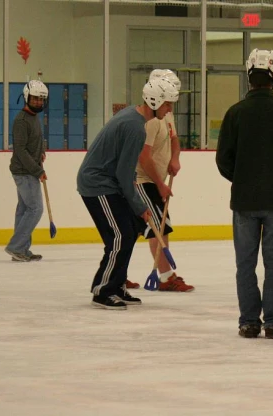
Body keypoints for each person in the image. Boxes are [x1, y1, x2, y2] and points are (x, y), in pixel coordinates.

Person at [216, 49, 273, 339]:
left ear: (249, 77)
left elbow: (223, 160)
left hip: (244, 200)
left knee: (245, 264)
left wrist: (240, 178)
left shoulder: (235, 113)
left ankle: (249, 321)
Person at [77, 78, 176, 309]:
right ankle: (103, 290)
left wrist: (137, 205)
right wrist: (140, 206)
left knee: (129, 232)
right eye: (167, 104)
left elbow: (125, 172)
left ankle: (117, 284)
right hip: (98, 184)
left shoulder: (134, 118)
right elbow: (124, 174)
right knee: (120, 236)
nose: (170, 109)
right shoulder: (135, 127)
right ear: (155, 101)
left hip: (109, 183)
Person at [132, 69, 193, 292]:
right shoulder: (150, 121)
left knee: (152, 227)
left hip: (156, 180)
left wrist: (174, 159)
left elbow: (174, 140)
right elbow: (143, 156)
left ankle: (119, 274)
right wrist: (160, 184)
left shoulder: (166, 113)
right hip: (142, 181)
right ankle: (166, 277)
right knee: (158, 227)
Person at [5, 80, 48, 262]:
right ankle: (16, 246)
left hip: (28, 170)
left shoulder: (33, 118)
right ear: (26, 97)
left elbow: (35, 141)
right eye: (35, 99)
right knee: (35, 209)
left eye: (41, 99)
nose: (38, 102)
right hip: (24, 172)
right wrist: (37, 170)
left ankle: (21, 249)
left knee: (24, 210)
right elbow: (20, 150)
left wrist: (42, 152)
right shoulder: (21, 121)